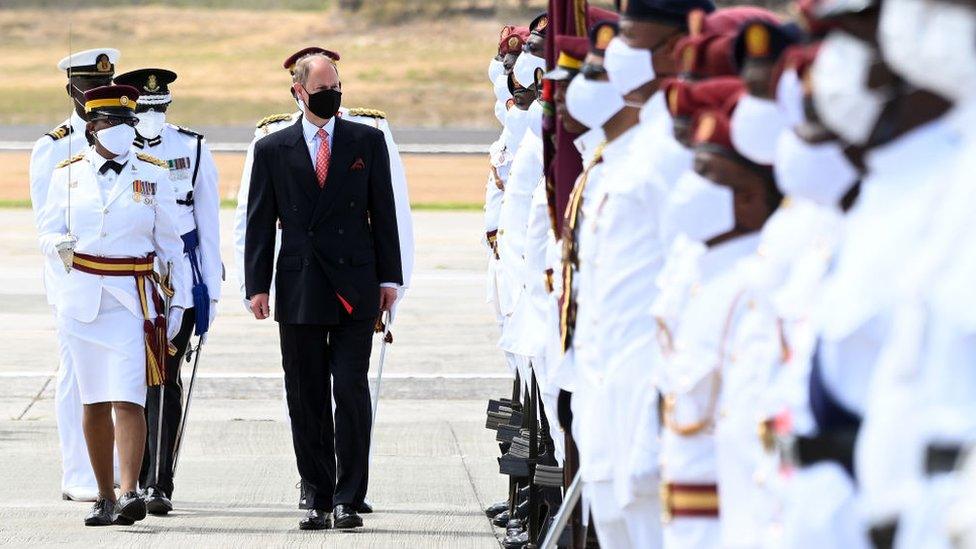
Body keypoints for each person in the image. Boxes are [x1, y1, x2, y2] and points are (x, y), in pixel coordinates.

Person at [234, 46, 414, 514]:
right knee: (305, 392)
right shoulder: (271, 148)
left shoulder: (365, 141)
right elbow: (258, 220)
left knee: (350, 389)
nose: (331, 96)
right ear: (298, 92)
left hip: (356, 283)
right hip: (300, 284)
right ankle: (316, 490)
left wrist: (390, 278)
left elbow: (385, 214)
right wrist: (256, 285)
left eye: (336, 88)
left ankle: (348, 496)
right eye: (321, 90)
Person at [36, 84, 189, 526]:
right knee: (93, 400)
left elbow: (170, 244)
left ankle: (129, 492)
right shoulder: (66, 173)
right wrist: (58, 246)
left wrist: (176, 303)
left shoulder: (154, 172)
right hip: (82, 297)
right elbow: (46, 231)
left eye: (126, 122)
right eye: (109, 123)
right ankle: (103, 495)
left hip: (130, 297)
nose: (120, 130)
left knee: (129, 396)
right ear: (92, 128)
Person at [112, 67, 221, 515]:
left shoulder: (191, 146)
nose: (153, 118)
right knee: (127, 381)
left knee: (166, 380)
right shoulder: (113, 148)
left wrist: (209, 291)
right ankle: (128, 481)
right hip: (129, 278)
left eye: (161, 109)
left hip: (179, 281)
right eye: (145, 110)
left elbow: (208, 222)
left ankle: (160, 482)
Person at [29, 47, 119, 503]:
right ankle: (79, 472)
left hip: (121, 280)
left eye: (104, 85)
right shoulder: (54, 146)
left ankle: (115, 468)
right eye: (88, 87)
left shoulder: (125, 134)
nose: (96, 94)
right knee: (77, 376)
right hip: (74, 280)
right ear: (71, 90)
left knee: (120, 377)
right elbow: (47, 225)